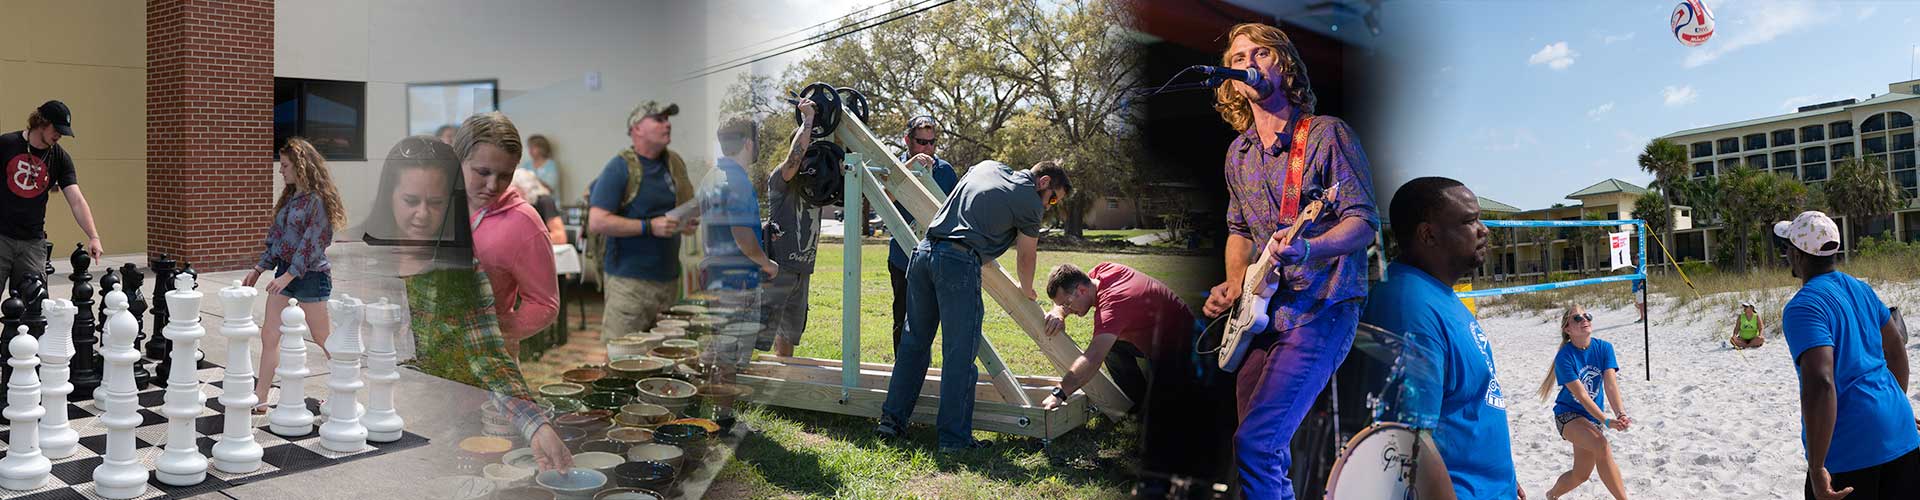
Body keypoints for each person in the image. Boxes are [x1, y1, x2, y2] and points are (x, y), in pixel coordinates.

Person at [1196, 23, 1378, 499]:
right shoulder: (1238, 154)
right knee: (1258, 448)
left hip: (1324, 307)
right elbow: (1238, 230)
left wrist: (1310, 247)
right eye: (1238, 58)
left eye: (1262, 53)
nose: (1249, 62)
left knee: (1256, 444)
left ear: (1284, 64)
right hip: (1262, 315)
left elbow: (1362, 221)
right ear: (1230, 78)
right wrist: (1236, 283)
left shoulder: (1325, 135)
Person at [359, 135, 571, 472]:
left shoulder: (460, 271)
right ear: (389, 197)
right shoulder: (358, 260)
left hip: (435, 430)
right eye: (411, 200)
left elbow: (488, 357)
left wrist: (537, 425)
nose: (422, 214)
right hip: (360, 425)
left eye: (437, 203)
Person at [876, 160, 1071, 452]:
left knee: (913, 344)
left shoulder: (987, 166)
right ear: (1043, 182)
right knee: (959, 352)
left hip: (924, 252)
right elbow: (1026, 255)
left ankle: (891, 422)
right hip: (957, 262)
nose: (1050, 206)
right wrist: (1027, 289)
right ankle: (954, 439)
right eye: (1053, 198)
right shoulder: (1030, 200)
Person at [1360, 177, 1522, 500]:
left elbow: (1469, 402)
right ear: (1428, 234)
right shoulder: (1409, 307)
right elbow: (1409, 445)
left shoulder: (1437, 293)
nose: (1484, 229)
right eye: (1469, 220)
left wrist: (1505, 480)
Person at [1773, 210, 1920, 499]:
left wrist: (1816, 467)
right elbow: (1895, 348)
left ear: (1798, 255)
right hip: (1900, 432)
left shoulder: (1804, 306)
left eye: (1788, 248)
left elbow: (1821, 381)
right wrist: (1892, 405)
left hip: (1850, 448)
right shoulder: (1862, 289)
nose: (1787, 255)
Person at [1040, 262, 1208, 490]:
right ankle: (1140, 407)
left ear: (1081, 291)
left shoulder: (1114, 305)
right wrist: (1058, 310)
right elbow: (1065, 293)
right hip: (1162, 334)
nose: (1069, 310)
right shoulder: (1100, 274)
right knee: (1114, 346)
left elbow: (1092, 359)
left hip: (1184, 352)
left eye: (1068, 304)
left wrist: (1060, 393)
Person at [245, 138, 345, 413]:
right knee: (269, 334)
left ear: (301, 166)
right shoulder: (290, 200)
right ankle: (261, 397)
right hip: (285, 275)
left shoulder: (318, 202)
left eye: (285, 165)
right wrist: (259, 269)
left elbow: (313, 245)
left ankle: (344, 392)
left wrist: (288, 276)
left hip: (311, 277)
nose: (281, 171)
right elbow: (277, 240)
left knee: (323, 338)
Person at [587, 101, 695, 340]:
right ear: (637, 129)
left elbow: (683, 215)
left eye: (668, 119)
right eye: (659, 119)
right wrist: (649, 226)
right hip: (629, 283)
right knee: (622, 355)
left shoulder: (674, 164)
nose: (667, 124)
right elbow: (597, 221)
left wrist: (685, 224)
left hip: (668, 280)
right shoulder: (619, 168)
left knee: (664, 357)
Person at [455, 112, 560, 357]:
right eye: (482, 172)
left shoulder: (523, 222)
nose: (493, 185)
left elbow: (545, 304)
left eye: (505, 176)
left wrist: (495, 331)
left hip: (488, 356)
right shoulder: (433, 203)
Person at [0, 100, 104, 292]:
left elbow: (77, 200)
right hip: (1, 236)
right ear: (41, 122)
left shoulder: (60, 158)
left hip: (32, 242)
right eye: (56, 129)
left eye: (63, 131)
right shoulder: (7, 144)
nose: (59, 135)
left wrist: (93, 236)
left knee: (33, 307)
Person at [1537, 304, 1632, 500]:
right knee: (1601, 444)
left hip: (1592, 418)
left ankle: (1551, 495)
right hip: (1568, 415)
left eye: (1586, 316)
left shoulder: (1604, 348)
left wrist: (1620, 414)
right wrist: (1606, 421)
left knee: (1581, 475)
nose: (1584, 320)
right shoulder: (1564, 357)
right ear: (1567, 329)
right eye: (1577, 318)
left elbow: (1611, 386)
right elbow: (1582, 396)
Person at [886, 115, 959, 350]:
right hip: (901, 257)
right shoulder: (893, 165)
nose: (927, 148)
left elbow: (955, 211)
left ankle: (924, 370)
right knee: (902, 319)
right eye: (921, 142)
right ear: (907, 140)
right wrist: (909, 169)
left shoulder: (945, 170)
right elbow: (883, 199)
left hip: (936, 258)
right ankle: (903, 374)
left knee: (931, 321)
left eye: (932, 142)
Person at [761, 100, 820, 356]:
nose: (808, 157)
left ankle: (781, 382)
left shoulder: (819, 187)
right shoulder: (780, 178)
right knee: (765, 331)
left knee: (790, 333)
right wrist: (808, 119)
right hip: (779, 267)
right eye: (806, 150)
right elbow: (795, 159)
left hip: (802, 269)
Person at [699, 115, 778, 290]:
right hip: (739, 286)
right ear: (749, 143)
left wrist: (759, 229)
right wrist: (767, 264)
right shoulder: (738, 182)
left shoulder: (710, 178)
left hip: (713, 281)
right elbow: (742, 234)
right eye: (757, 140)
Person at [513, 169, 568, 245]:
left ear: (525, 188)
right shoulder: (517, 205)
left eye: (515, 190)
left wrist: (528, 241)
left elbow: (560, 237)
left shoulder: (545, 201)